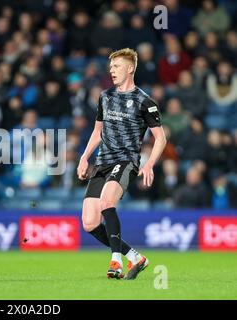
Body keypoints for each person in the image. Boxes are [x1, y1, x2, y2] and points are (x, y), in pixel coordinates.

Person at [77, 48, 167, 280]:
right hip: (102, 162)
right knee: (89, 223)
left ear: (130, 68)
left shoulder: (144, 102)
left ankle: (116, 261)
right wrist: (85, 157)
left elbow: (161, 138)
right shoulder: (105, 97)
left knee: (107, 202)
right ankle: (136, 258)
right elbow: (98, 131)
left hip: (126, 161)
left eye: (116, 66)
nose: (112, 71)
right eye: (110, 67)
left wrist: (148, 165)